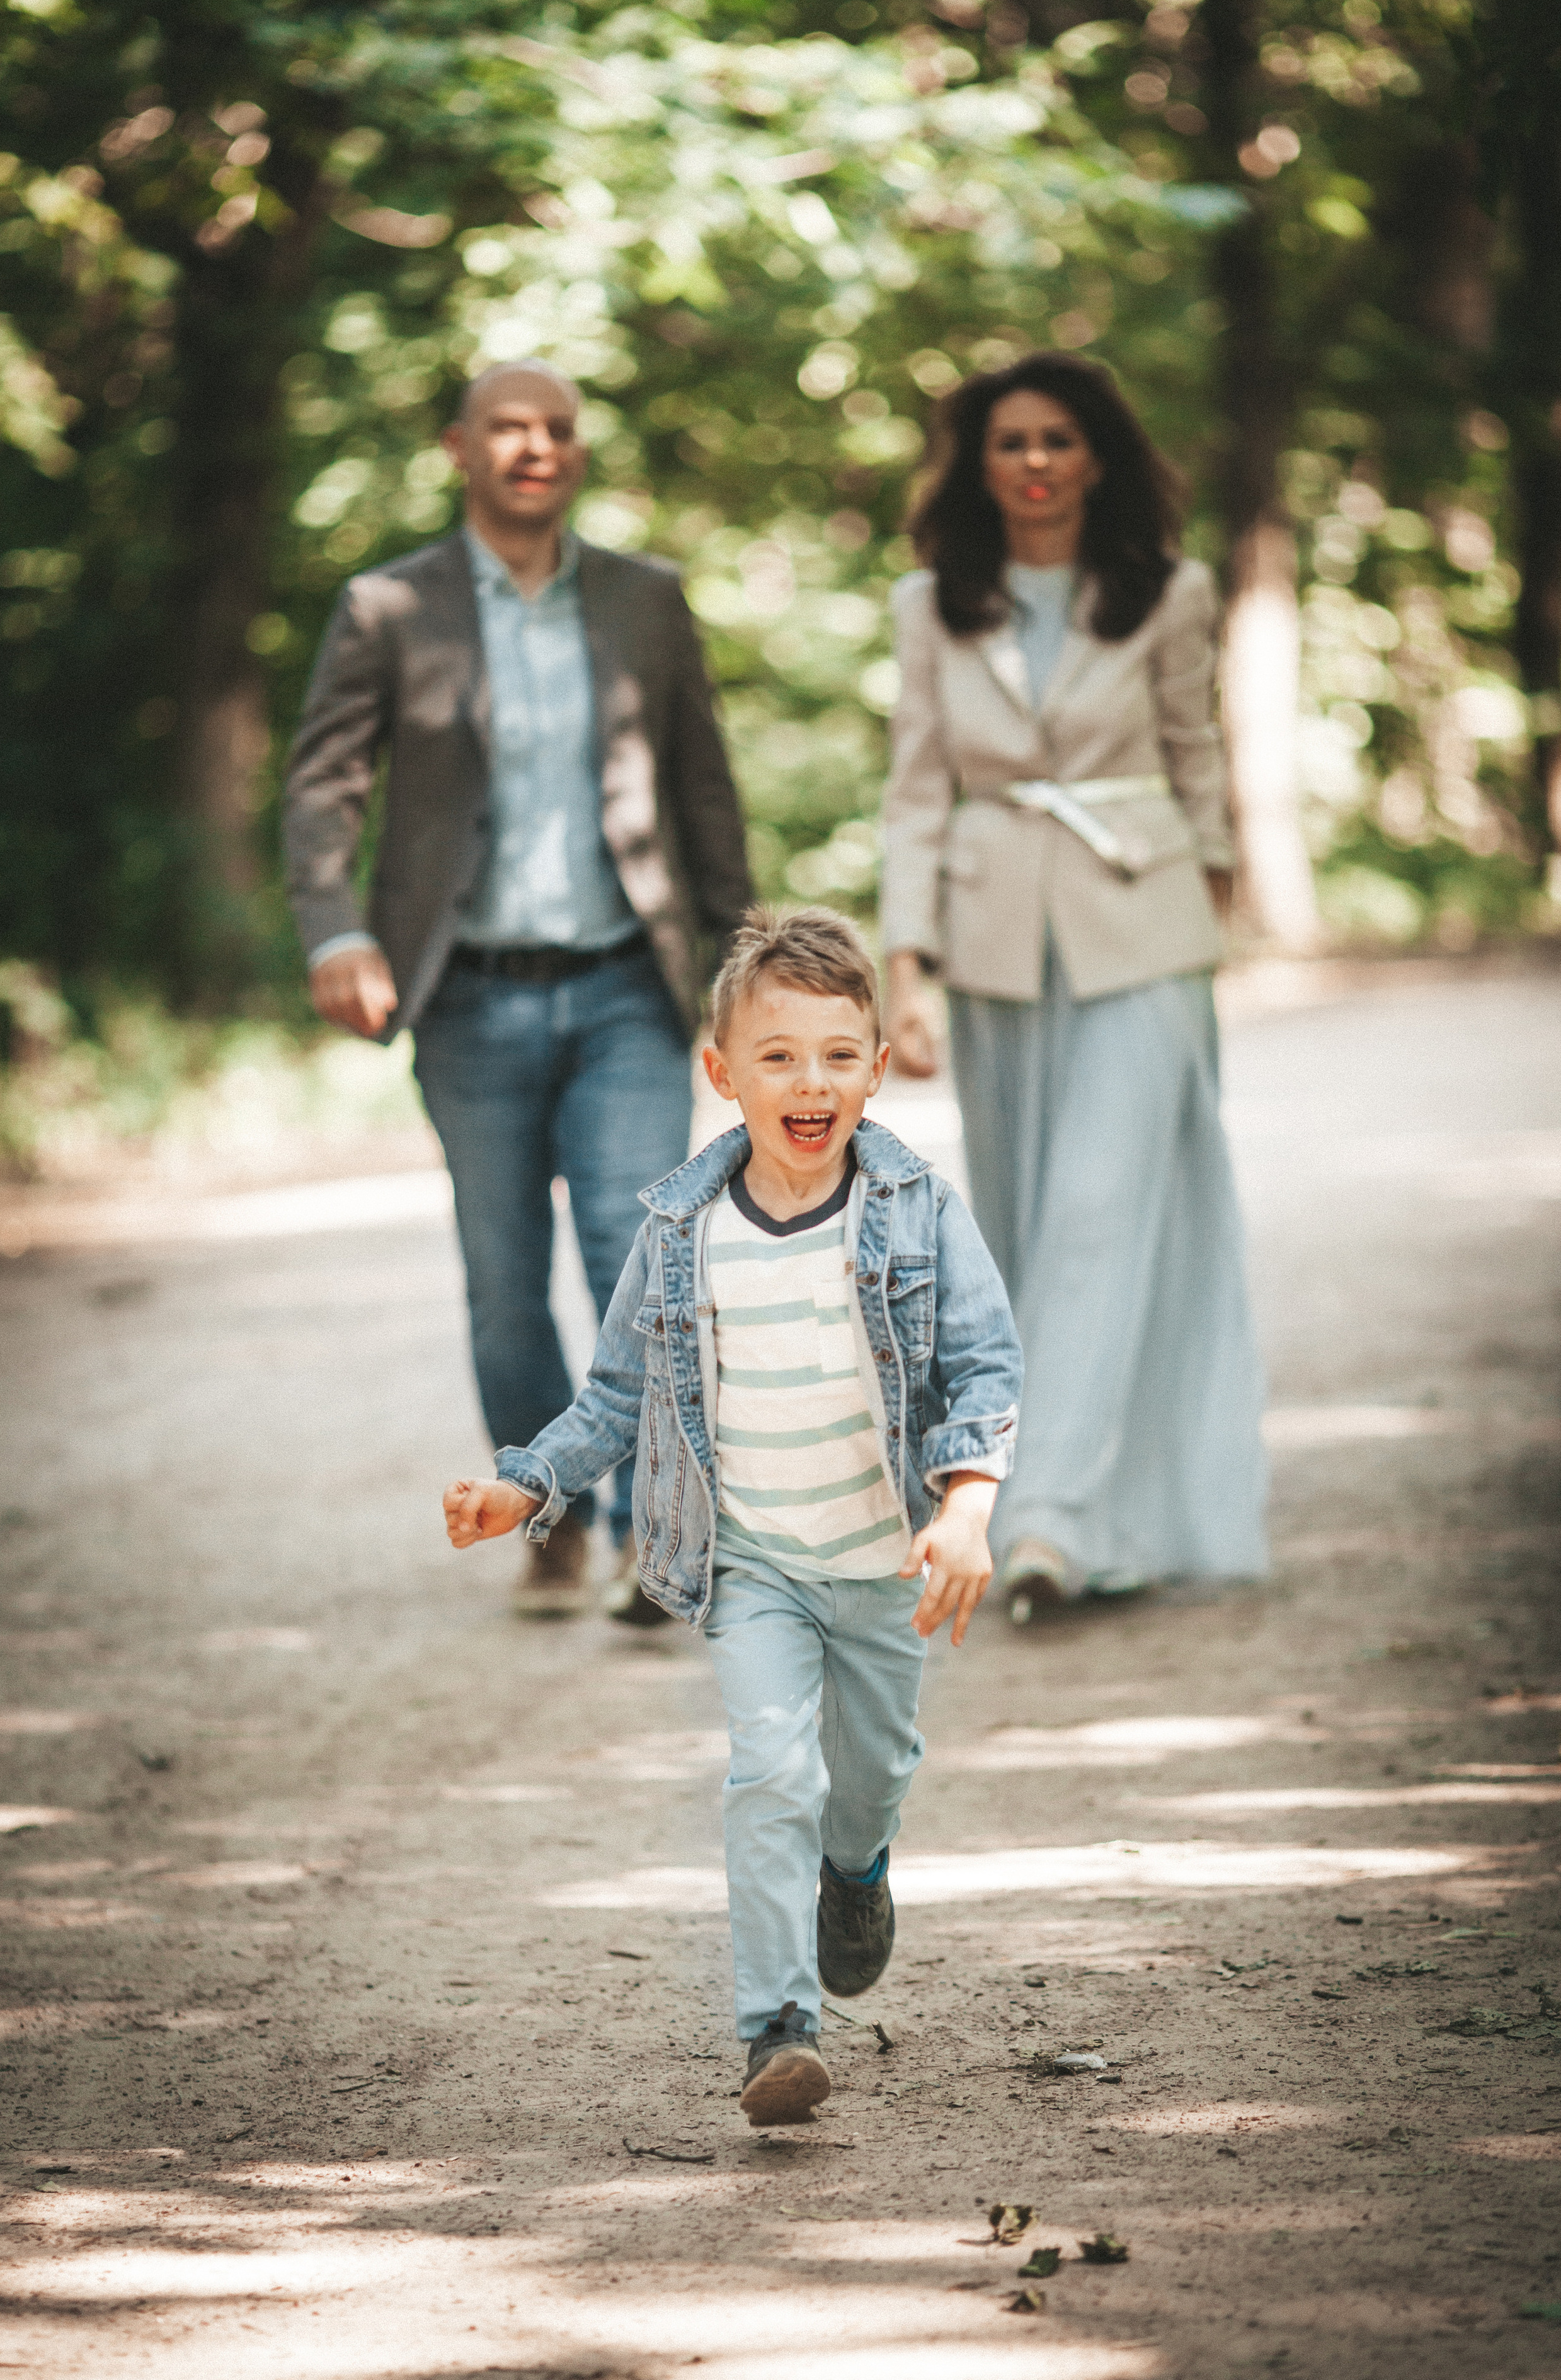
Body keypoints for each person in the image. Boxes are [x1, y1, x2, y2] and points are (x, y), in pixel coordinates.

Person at [442, 907, 1022, 2123]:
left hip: (878, 1564)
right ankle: (777, 2027)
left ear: (873, 1066)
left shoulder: (918, 1211)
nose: (810, 1082)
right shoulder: (678, 1236)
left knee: (864, 1781)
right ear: (721, 1075)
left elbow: (985, 1370)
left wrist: (966, 1509)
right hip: (749, 1561)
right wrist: (528, 1484)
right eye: (778, 1056)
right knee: (769, 1770)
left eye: (837, 1055)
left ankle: (855, 1871)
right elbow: (615, 1397)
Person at [283, 362, 752, 1624]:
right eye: (507, 427)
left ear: (577, 453)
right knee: (503, 1281)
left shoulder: (644, 603)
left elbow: (703, 787)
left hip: (625, 991)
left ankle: (661, 1537)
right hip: (468, 999)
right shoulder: (388, 607)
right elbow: (324, 781)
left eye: (554, 429)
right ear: (460, 448)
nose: (532, 447)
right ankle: (546, 1512)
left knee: (631, 1256)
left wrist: (744, 960)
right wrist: (333, 928)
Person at [879, 350, 1267, 1622]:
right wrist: (906, 968)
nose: (1034, 462)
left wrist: (1212, 894)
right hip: (995, 942)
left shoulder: (1169, 590)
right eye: (1009, 443)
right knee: (1030, 1223)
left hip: (1140, 927)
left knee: (1105, 1209)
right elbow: (916, 792)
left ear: (1096, 457)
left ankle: (1044, 1516)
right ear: (976, 466)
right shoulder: (932, 603)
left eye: (1057, 440)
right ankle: (1097, 1521)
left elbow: (1194, 751)